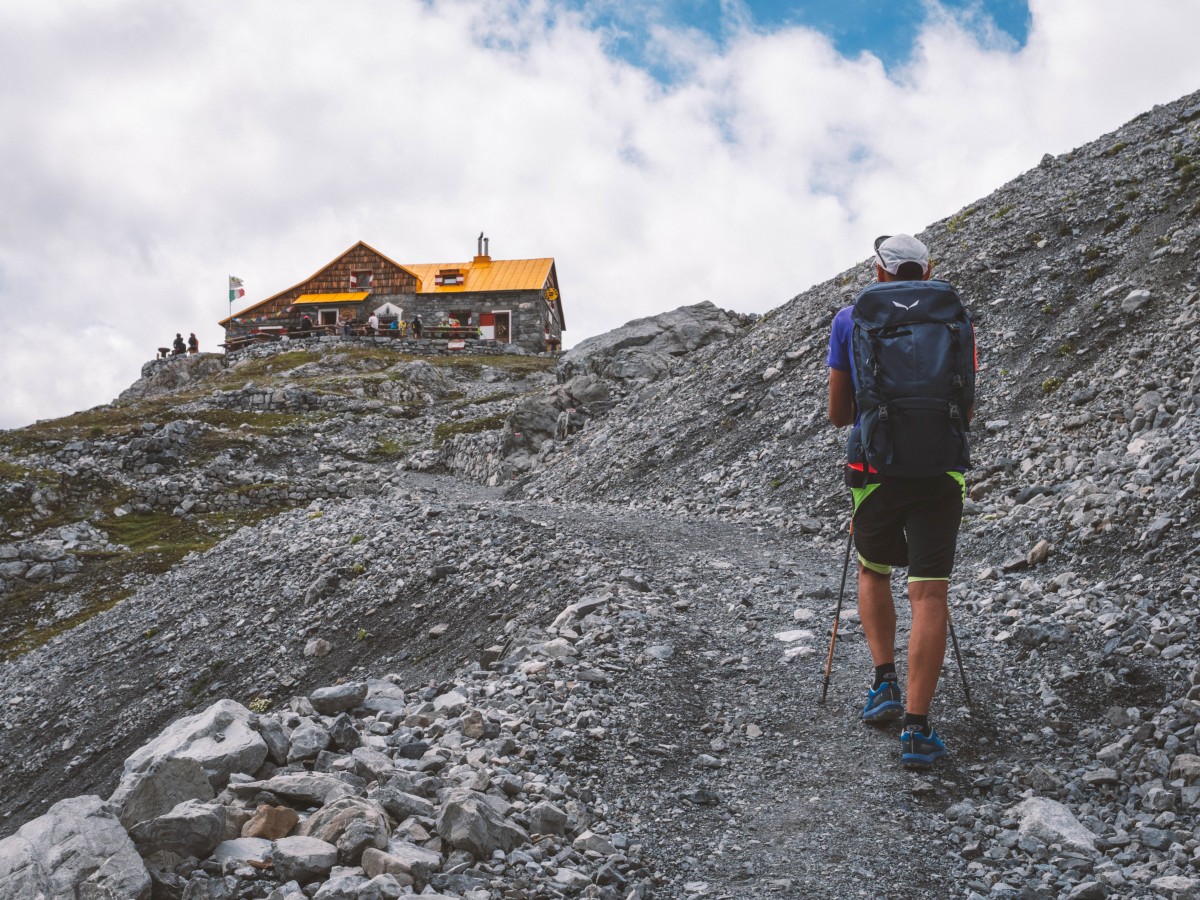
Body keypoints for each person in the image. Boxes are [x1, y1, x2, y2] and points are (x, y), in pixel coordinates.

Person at [826, 233, 976, 770]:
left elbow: (840, 415)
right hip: (940, 470)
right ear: (927, 268)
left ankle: (884, 682)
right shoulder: (953, 315)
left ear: (878, 272)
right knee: (930, 595)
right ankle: (917, 729)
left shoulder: (852, 318)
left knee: (873, 570)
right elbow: (965, 404)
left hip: (873, 469)